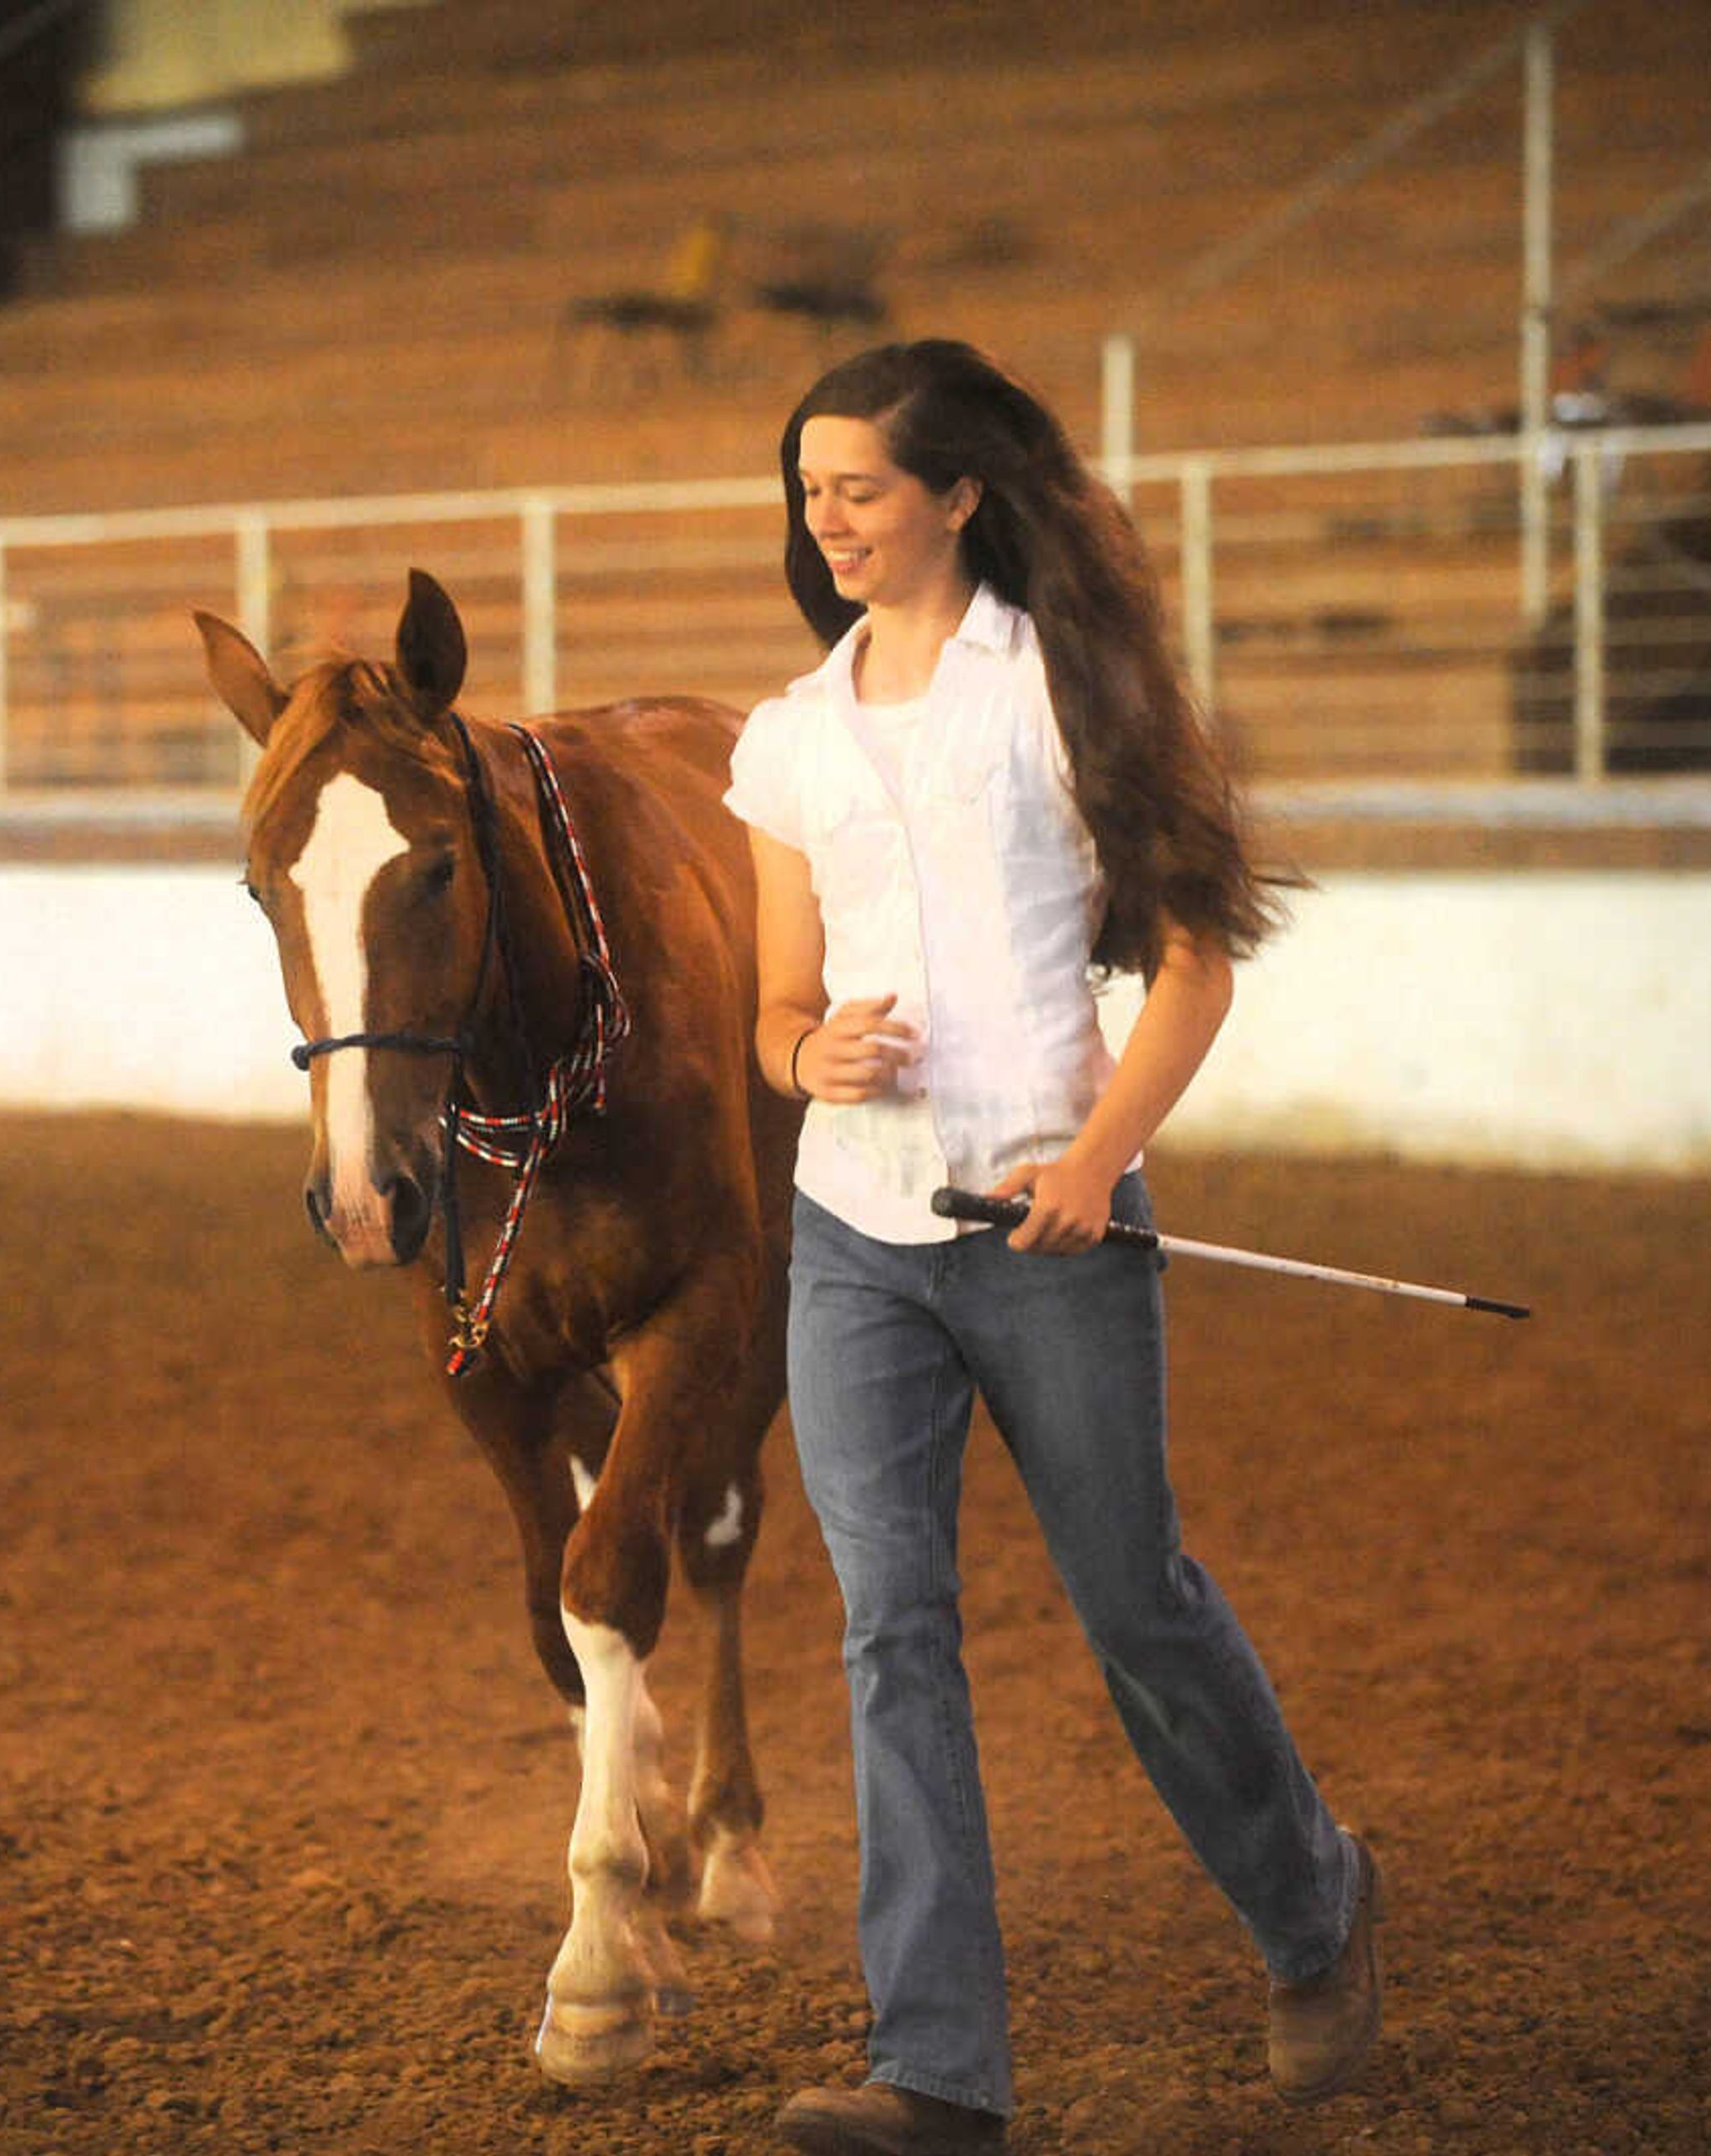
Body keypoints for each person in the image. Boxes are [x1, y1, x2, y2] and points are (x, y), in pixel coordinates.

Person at [722, 340, 1380, 2156]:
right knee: (891, 1635)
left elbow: (1195, 963)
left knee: (1134, 1605)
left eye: (858, 485)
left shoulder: (1067, 693)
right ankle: (936, 2074)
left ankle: (1317, 1910)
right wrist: (805, 1055)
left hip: (1051, 1223)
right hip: (856, 1238)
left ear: (959, 496)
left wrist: (1101, 1160)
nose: (827, 518)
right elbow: (776, 1007)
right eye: (809, 489)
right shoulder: (788, 743)